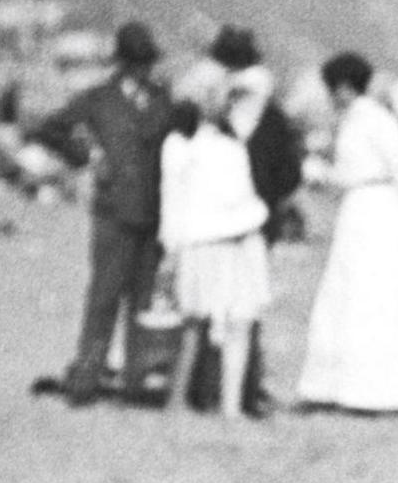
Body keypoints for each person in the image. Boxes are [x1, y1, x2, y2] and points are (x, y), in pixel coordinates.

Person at [33, 21, 173, 404]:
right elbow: (49, 128)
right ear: (123, 63)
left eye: (148, 62)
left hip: (153, 215)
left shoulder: (163, 99)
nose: (144, 70)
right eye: (138, 63)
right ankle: (86, 379)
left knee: (144, 303)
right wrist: (88, 155)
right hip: (112, 214)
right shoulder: (98, 99)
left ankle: (134, 382)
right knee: (104, 298)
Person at [294, 53, 398, 414]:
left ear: (342, 87)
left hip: (380, 212)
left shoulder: (378, 120)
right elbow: (348, 172)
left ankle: (377, 391)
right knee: (345, 292)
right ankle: (333, 386)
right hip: (356, 210)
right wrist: (323, 174)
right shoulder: (352, 121)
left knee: (375, 296)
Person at [154, 60, 271, 421]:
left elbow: (256, 96)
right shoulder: (181, 145)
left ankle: (230, 406)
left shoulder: (231, 143)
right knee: (194, 323)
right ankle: (178, 400)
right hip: (203, 240)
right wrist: (171, 250)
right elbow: (172, 202)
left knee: (240, 321)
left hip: (239, 238)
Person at [208, 27, 302, 417]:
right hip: (257, 225)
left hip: (212, 224)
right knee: (246, 311)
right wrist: (267, 204)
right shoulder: (274, 118)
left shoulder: (215, 114)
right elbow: (291, 174)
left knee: (211, 305)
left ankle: (210, 388)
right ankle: (243, 391)